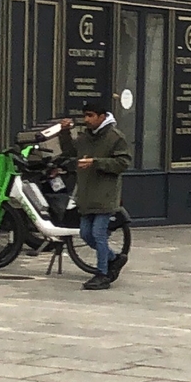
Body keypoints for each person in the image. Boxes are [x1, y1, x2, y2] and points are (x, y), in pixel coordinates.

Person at [67, 98, 132, 290]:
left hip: (105, 194)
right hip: (86, 193)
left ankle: (102, 274)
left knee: (98, 233)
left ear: (102, 117)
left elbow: (123, 163)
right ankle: (114, 259)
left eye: (90, 116)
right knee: (86, 234)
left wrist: (96, 163)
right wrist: (64, 132)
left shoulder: (115, 137)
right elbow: (71, 150)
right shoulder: (85, 137)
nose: (86, 120)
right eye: (85, 116)